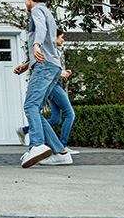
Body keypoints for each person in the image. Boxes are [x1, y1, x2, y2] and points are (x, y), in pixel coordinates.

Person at [16, 0, 72, 168]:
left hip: (45, 66)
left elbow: (40, 31)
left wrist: (36, 45)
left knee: (30, 105)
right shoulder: (48, 13)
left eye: (26, 0)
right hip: (52, 66)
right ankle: (61, 153)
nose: (26, 3)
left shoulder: (37, 10)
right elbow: (49, 43)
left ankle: (37, 145)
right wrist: (27, 64)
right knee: (36, 110)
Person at [15, 28, 79, 156]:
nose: (63, 40)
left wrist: (24, 66)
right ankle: (62, 146)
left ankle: (25, 130)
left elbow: (40, 60)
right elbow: (46, 67)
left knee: (55, 120)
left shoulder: (52, 50)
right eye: (61, 37)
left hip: (53, 86)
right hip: (54, 86)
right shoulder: (50, 49)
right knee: (70, 114)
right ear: (54, 38)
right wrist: (61, 73)